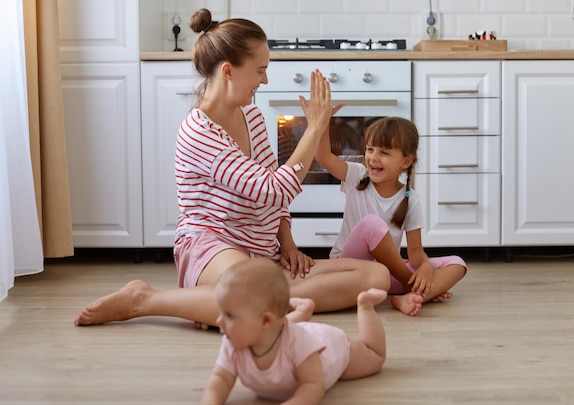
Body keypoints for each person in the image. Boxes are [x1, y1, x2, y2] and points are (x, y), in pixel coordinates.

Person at [74, 9, 389, 330]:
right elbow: (273, 188)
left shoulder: (250, 115)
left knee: (376, 275)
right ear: (228, 71)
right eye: (260, 70)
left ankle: (222, 304)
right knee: (255, 289)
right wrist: (314, 129)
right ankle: (145, 298)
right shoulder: (200, 132)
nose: (264, 80)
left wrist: (289, 244)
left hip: (262, 255)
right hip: (212, 245)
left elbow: (273, 197)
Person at [191, 258, 387, 405]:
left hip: (327, 346)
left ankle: (365, 306)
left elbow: (312, 385)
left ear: (266, 320)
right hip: (285, 331)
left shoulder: (299, 343)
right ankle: (303, 310)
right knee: (281, 330)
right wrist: (210, 402)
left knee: (374, 357)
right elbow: (220, 378)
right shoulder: (233, 342)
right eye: (222, 312)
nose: (219, 321)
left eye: (230, 316)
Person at [314, 116, 467, 317]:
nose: (373, 158)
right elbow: (324, 157)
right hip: (347, 268)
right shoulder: (356, 176)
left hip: (385, 273)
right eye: (370, 149)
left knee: (457, 264)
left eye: (384, 152)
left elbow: (415, 251)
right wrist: (323, 122)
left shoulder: (411, 199)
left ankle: (409, 297)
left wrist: (426, 268)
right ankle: (413, 288)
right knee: (372, 225)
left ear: (406, 161)